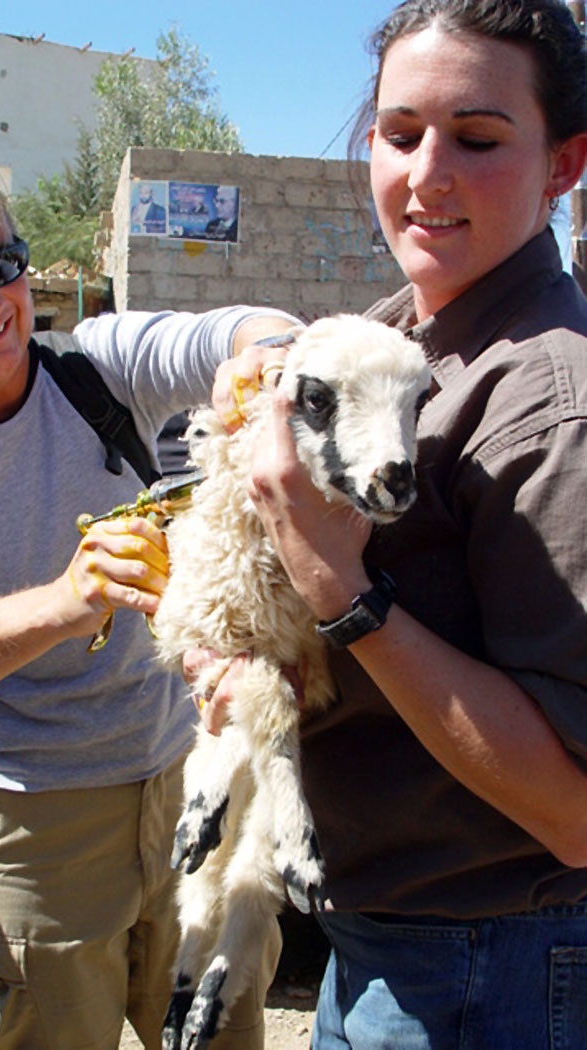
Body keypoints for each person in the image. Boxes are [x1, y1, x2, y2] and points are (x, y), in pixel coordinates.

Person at [0, 143, 295, 1049]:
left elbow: (243, 328)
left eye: (1, 266)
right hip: (28, 832)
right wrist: (66, 599)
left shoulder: (99, 370)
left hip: (182, 788)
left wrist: (263, 361)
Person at [199, 1, 587, 1047]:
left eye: (479, 138)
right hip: (382, 940)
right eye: (400, 133)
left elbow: (575, 813)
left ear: (563, 166)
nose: (426, 175)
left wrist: (341, 589)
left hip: (487, 961)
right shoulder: (394, 335)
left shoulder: (550, 398)